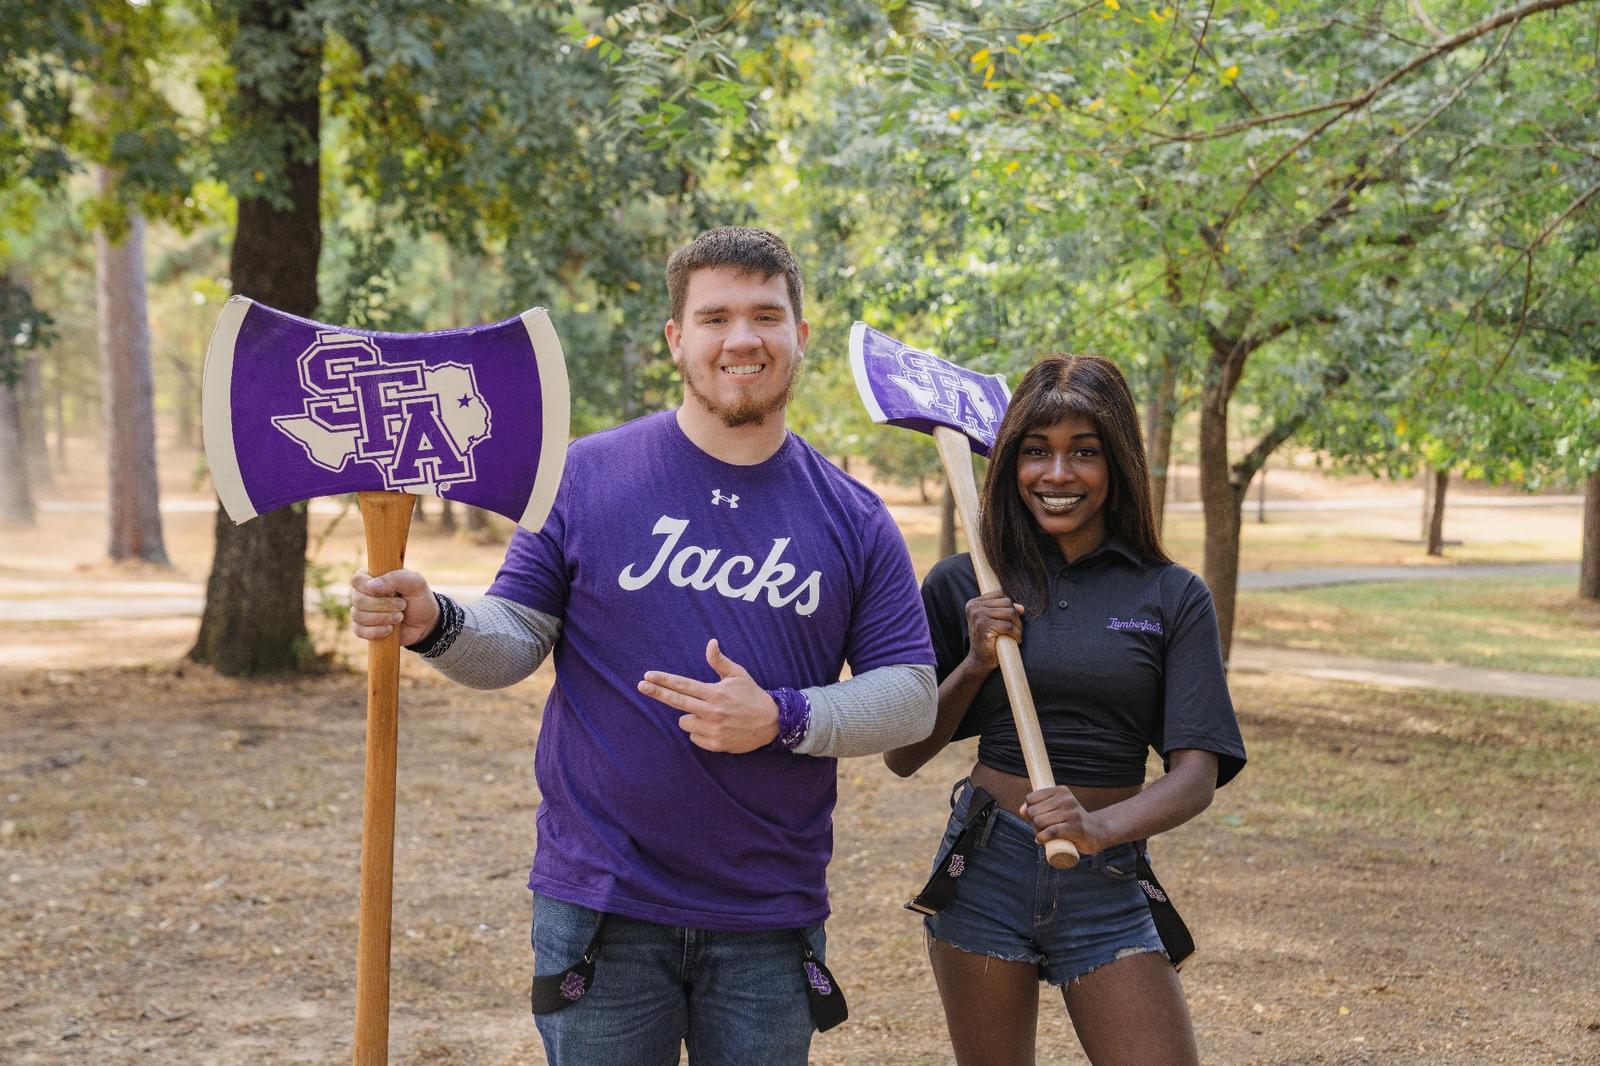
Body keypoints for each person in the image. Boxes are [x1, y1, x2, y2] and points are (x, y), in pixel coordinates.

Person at [349, 227, 937, 1065]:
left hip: (769, 918)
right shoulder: (583, 477)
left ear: (799, 337)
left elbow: (911, 695)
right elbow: (516, 637)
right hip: (602, 910)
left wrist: (784, 716)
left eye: (766, 316)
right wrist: (437, 622)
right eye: (715, 317)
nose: (741, 338)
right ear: (676, 339)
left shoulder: (854, 516)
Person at [885, 355, 1246, 1066]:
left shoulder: (1172, 595)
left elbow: (1196, 775)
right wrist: (974, 662)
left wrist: (1097, 828)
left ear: (1117, 464)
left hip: (1107, 878)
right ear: (1009, 463)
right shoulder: (967, 580)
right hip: (984, 868)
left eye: (1083, 452)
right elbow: (903, 753)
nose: (1056, 475)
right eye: (1035, 452)